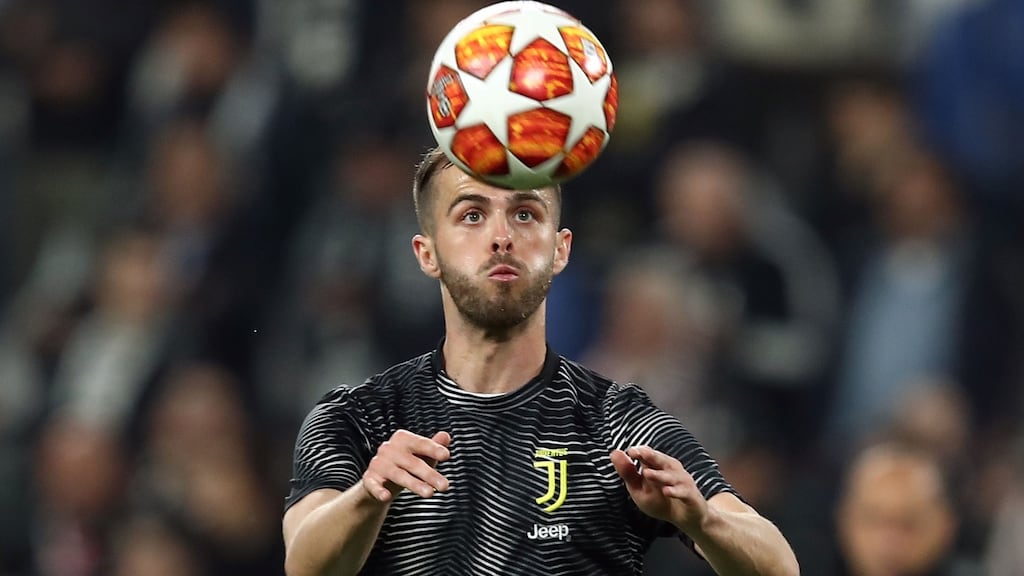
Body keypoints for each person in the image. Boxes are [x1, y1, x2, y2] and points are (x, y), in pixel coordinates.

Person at [281, 147, 799, 576]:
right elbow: (305, 565)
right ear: (426, 252)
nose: (502, 235)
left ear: (559, 249)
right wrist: (369, 496)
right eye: (472, 214)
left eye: (525, 213)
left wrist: (703, 520)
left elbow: (778, 566)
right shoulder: (357, 419)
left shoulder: (619, 425)